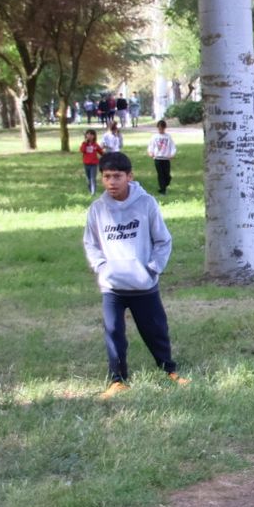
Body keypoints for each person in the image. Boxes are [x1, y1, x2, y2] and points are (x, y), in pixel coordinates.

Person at [84, 151, 183, 398]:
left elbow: (163, 240)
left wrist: (152, 268)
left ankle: (169, 371)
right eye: (107, 177)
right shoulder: (97, 209)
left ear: (129, 176)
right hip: (113, 286)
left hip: (143, 284)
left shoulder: (146, 203)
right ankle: (118, 380)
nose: (111, 182)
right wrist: (102, 267)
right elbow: (91, 243)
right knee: (114, 332)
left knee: (156, 330)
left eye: (117, 176)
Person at [147, 120, 176, 195]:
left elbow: (172, 146)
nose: (160, 130)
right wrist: (150, 152)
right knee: (160, 174)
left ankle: (165, 184)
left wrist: (172, 154)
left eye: (162, 128)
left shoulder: (168, 137)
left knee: (167, 174)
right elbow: (151, 146)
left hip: (166, 158)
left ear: (164, 128)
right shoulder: (154, 137)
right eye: (159, 128)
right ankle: (163, 190)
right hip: (158, 158)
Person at [80, 129, 102, 194]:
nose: (89, 136)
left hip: (94, 164)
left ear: (94, 136)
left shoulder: (95, 144)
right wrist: (85, 143)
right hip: (86, 164)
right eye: (88, 134)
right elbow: (82, 150)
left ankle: (93, 192)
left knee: (93, 178)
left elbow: (101, 151)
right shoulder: (84, 144)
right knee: (88, 178)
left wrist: (106, 156)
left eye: (91, 134)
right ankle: (90, 190)